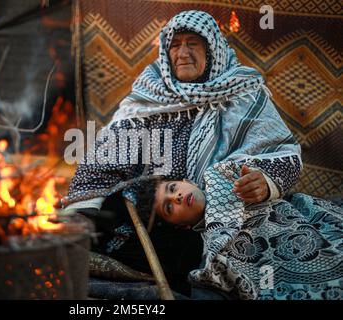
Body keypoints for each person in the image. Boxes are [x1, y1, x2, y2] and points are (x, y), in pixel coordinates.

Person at [62, 11, 342, 299]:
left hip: (239, 214)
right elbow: (102, 160)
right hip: (172, 224)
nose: (182, 53)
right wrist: (82, 214)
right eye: (175, 44)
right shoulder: (147, 97)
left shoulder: (245, 94)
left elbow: (283, 153)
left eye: (193, 43)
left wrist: (265, 180)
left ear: (212, 49)